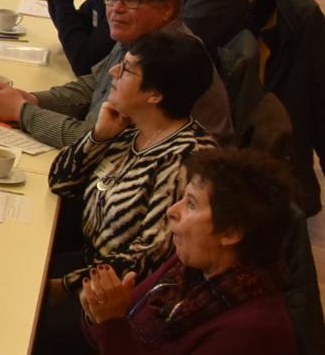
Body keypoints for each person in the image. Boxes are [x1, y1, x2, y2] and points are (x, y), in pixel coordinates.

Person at [22, 148, 300, 355]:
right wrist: (97, 311)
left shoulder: (253, 332)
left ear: (231, 232)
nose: (173, 210)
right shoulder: (190, 268)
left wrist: (112, 325)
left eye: (191, 204)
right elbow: (103, 340)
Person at [0, 0, 229, 149]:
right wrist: (36, 100)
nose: (116, 10)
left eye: (131, 1)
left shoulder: (167, 61)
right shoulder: (140, 36)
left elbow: (93, 140)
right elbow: (94, 85)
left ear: (166, 9)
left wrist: (22, 111)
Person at [47, 30, 217, 293]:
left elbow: (147, 259)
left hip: (116, 295)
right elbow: (60, 182)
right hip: (86, 266)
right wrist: (98, 137)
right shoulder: (131, 128)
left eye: (126, 69)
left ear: (155, 95)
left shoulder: (185, 159)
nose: (113, 71)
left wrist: (63, 287)